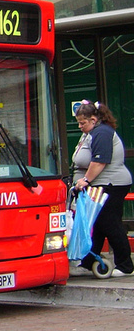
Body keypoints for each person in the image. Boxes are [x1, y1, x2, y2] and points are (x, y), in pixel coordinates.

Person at [72, 100, 133, 277]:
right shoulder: (93, 132)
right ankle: (89, 261)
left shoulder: (102, 133)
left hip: (111, 184)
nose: (80, 126)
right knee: (97, 222)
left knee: (109, 222)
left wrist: (85, 180)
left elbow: (100, 161)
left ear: (93, 119)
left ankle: (125, 265)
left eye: (82, 122)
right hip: (102, 184)